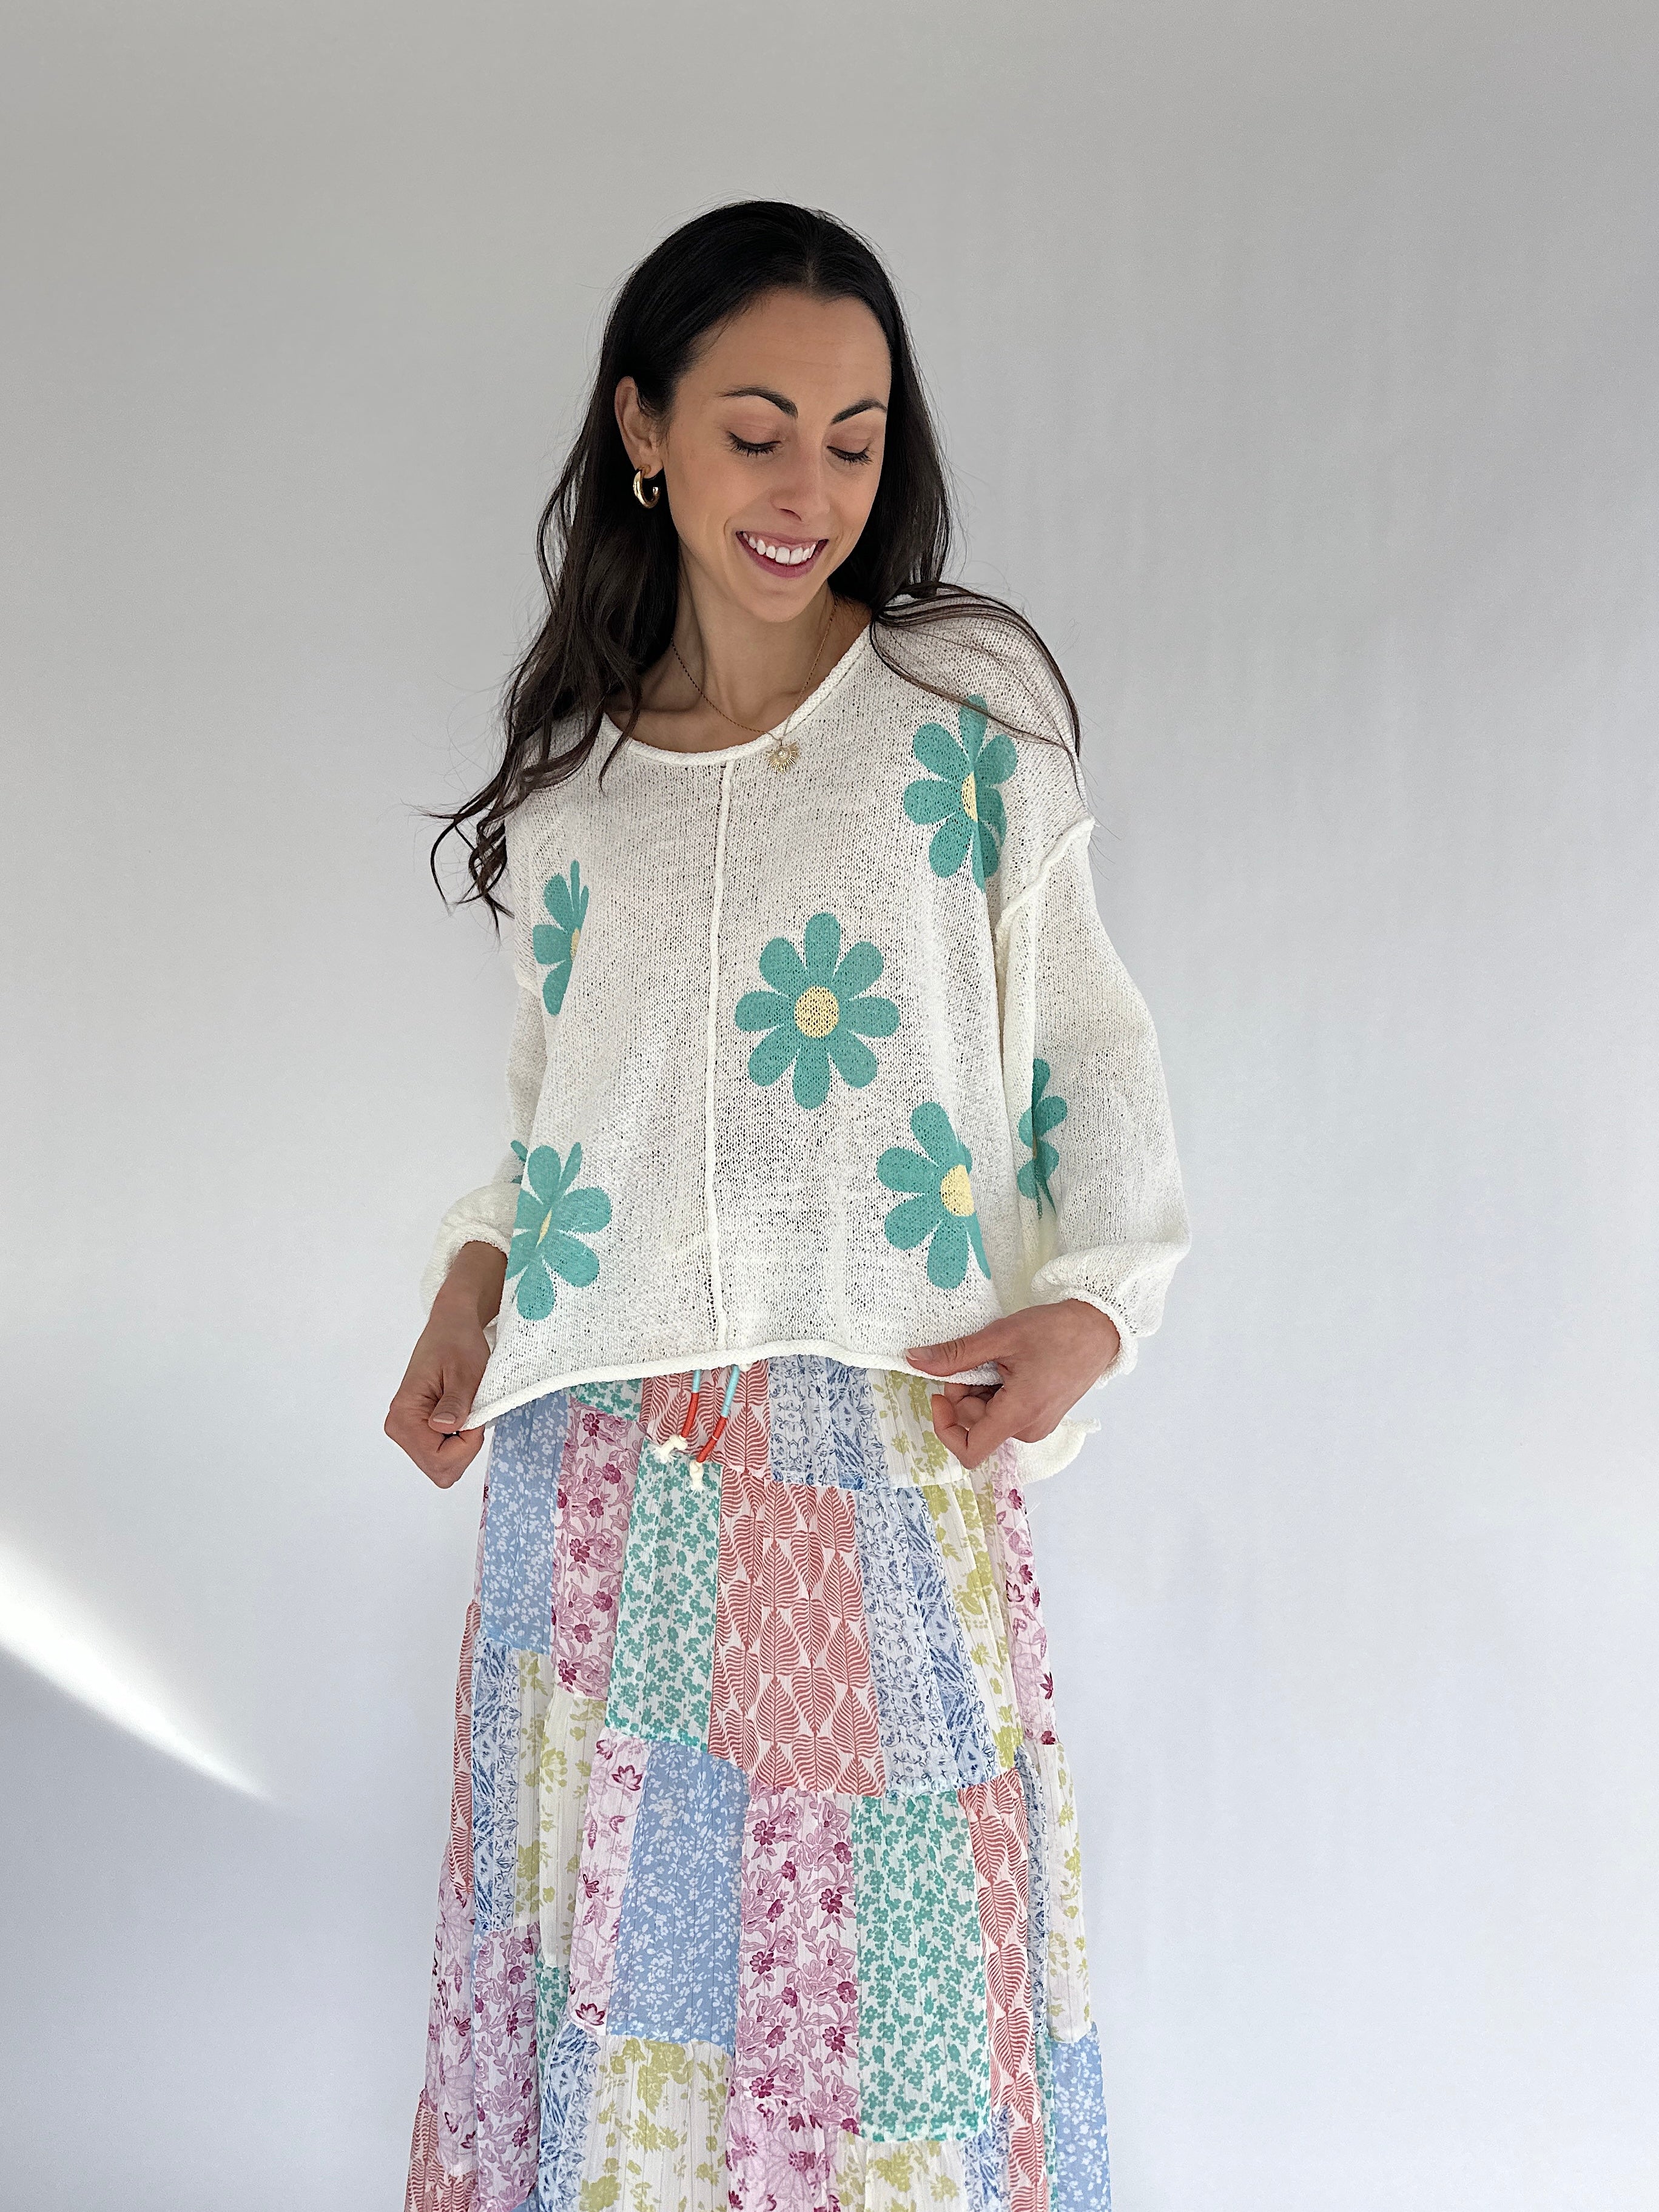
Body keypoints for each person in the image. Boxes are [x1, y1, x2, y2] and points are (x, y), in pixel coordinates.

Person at [386, 199, 1190, 2212]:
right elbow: (557, 1123)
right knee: (627, 2039)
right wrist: (472, 1283)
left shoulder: (963, 720)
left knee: (901, 2038)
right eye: (757, 431)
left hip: (879, 1445)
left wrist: (1101, 1298)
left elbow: (1086, 1047)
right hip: (595, 1470)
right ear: (643, 430)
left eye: (854, 437)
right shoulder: (571, 792)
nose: (809, 490)